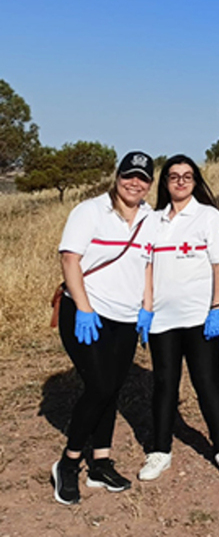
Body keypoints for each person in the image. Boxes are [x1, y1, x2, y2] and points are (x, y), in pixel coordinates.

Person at [51, 151, 158, 505]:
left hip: (127, 317)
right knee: (98, 386)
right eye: (129, 175)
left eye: (142, 178)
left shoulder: (149, 218)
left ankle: (100, 462)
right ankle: (68, 464)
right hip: (88, 315)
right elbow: (70, 259)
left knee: (112, 388)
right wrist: (83, 308)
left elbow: (146, 265)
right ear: (117, 176)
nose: (135, 183)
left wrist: (146, 307)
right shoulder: (90, 211)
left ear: (149, 183)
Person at [136, 155, 219, 480]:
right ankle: (160, 451)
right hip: (162, 321)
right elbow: (147, 266)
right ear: (165, 183)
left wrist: (217, 308)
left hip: (200, 318)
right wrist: (146, 308)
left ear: (195, 181)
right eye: (173, 176)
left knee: (206, 382)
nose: (180, 182)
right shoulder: (152, 221)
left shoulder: (209, 217)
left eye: (187, 176)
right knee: (164, 384)